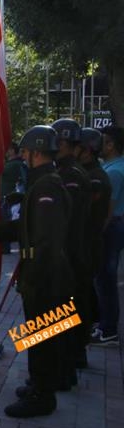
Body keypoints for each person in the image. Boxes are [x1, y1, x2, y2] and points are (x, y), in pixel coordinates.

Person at [0, 125, 73, 418]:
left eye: (24, 151)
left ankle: (42, 395)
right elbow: (25, 227)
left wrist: (34, 277)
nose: (22, 156)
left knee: (42, 335)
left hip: (45, 275)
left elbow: (47, 239)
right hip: (43, 271)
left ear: (35, 152)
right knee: (38, 335)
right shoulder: (43, 182)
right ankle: (39, 382)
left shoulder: (47, 185)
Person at [51, 119, 92, 382]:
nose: (56, 147)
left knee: (61, 315)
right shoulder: (68, 173)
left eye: (61, 142)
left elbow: (65, 221)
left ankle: (58, 373)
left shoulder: (70, 176)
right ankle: (65, 365)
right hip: (71, 253)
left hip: (69, 254)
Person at [77, 128, 111, 356]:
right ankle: (73, 356)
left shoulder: (92, 178)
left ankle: (67, 360)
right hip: (83, 247)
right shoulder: (86, 174)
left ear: (87, 151)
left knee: (76, 303)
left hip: (83, 248)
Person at [91, 125, 124, 347]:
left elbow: (107, 209)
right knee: (105, 278)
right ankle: (105, 325)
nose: (97, 145)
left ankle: (108, 329)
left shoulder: (113, 171)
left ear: (111, 144)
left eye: (102, 141)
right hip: (115, 225)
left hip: (112, 227)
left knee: (105, 278)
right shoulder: (115, 166)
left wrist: (96, 235)